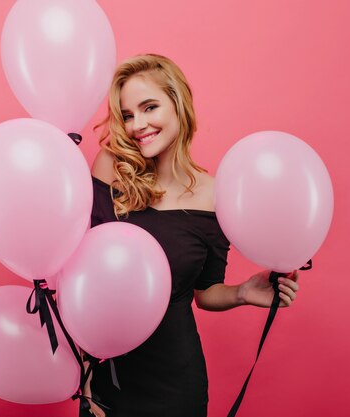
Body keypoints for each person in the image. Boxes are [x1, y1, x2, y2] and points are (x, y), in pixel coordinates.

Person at [81, 54, 300, 417]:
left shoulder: (216, 197)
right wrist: (86, 380)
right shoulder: (111, 169)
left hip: (175, 385)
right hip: (109, 380)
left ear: (178, 104)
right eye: (128, 115)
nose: (138, 124)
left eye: (150, 107)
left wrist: (243, 292)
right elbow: (84, 283)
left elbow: (204, 293)